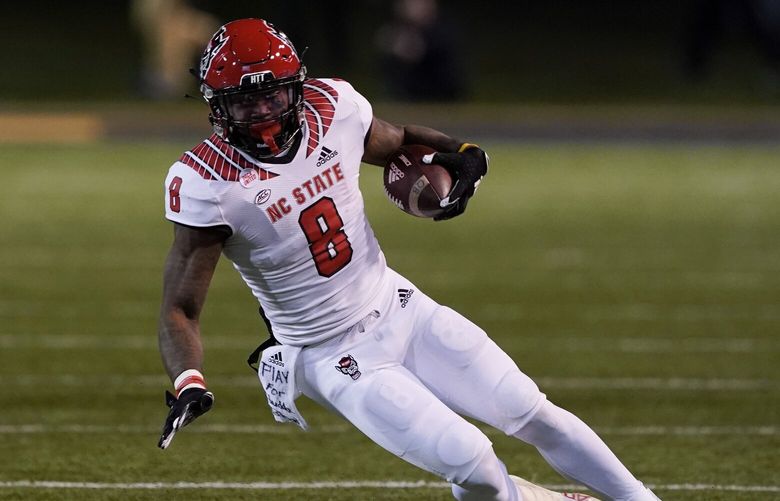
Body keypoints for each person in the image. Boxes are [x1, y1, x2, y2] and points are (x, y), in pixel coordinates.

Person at [156, 18, 661, 501]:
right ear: (218, 105)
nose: (264, 111)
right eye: (247, 101)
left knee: (532, 411)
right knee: (474, 464)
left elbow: (396, 139)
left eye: (273, 94)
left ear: (297, 84)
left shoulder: (334, 108)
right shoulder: (207, 182)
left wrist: (460, 150)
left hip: (398, 304)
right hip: (330, 353)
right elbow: (181, 305)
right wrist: (188, 380)